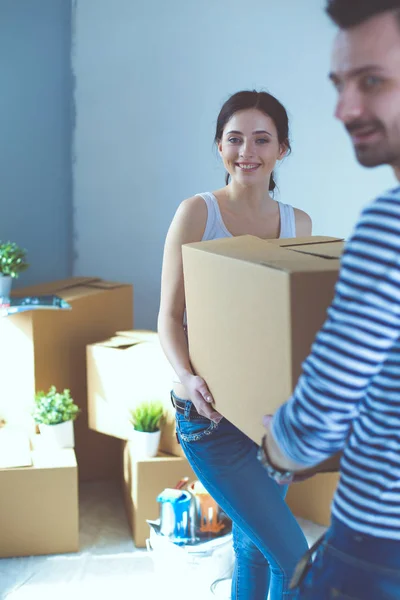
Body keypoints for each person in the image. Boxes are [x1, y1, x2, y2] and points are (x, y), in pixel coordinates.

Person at [260, 2, 400, 599]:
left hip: (377, 547)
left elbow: (316, 424)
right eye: (340, 84)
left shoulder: (388, 227)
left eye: (372, 81)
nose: (345, 109)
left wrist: (276, 445)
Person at [158, 90, 312, 600]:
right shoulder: (197, 214)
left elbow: (295, 325)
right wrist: (189, 379)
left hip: (273, 423)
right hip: (212, 421)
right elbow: (169, 317)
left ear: (282, 150)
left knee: (253, 549)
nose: (247, 151)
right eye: (235, 139)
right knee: (294, 560)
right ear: (219, 146)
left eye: (262, 139)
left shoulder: (299, 225)